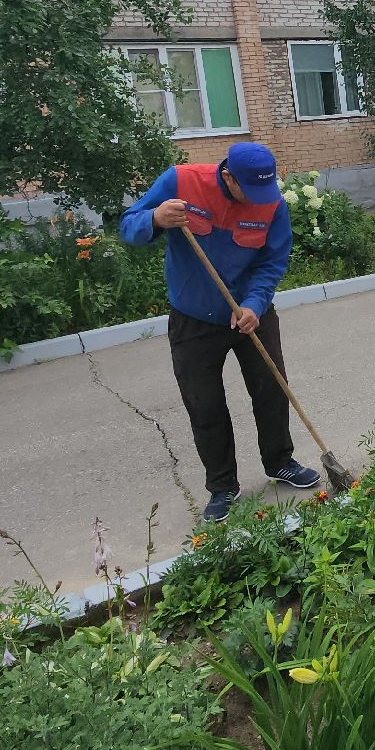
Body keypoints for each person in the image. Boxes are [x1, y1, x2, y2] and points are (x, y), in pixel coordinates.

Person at [119, 142, 321, 521]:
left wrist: (255, 305)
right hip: (193, 319)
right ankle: (222, 486)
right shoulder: (181, 181)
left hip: (249, 313)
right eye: (250, 191)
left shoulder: (270, 202)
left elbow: (273, 260)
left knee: (272, 389)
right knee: (205, 405)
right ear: (228, 175)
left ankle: (280, 462)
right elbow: (129, 226)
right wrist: (156, 219)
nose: (257, 200)